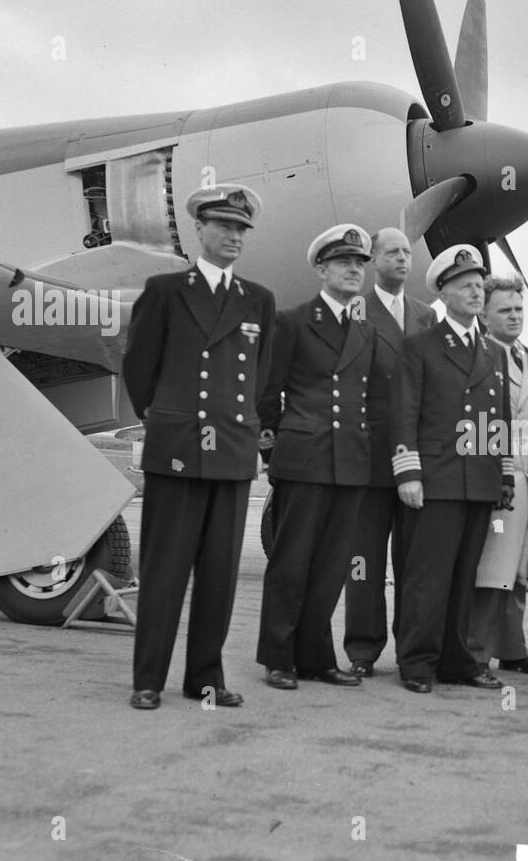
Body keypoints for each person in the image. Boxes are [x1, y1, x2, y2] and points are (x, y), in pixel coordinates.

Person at [121, 184, 275, 710]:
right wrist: (166, 417)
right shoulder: (165, 290)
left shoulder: (258, 300)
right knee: (164, 571)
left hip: (231, 453)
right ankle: (148, 679)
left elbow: (262, 377)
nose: (234, 236)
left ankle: (205, 677)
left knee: (218, 575)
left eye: (241, 229)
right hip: (179, 449)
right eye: (224, 227)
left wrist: (241, 428)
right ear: (200, 231)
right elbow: (139, 370)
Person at [255, 224, 376, 691]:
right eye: (343, 262)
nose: (353, 270)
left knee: (330, 566)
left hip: (349, 461)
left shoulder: (362, 331)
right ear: (321, 268)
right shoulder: (293, 321)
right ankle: (278, 657)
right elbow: (267, 391)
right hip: (304, 457)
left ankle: (315, 657)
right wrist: (272, 448)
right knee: (291, 562)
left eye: (359, 263)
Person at [390, 245, 514, 694]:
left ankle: (456, 660)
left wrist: (502, 475)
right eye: (465, 285)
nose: (476, 292)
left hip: (477, 482)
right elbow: (404, 412)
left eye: (479, 284)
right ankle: (417, 661)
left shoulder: (492, 352)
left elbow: (497, 419)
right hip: (436, 479)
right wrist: (408, 473)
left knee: (464, 577)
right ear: (443, 292)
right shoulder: (420, 346)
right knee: (427, 577)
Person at [342, 228, 436, 677]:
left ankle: (412, 652)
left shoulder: (426, 316)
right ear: (373, 261)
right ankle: (362, 648)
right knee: (364, 558)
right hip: (370, 457)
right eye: (392, 252)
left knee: (415, 562)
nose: (402, 258)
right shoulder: (356, 312)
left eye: (407, 252)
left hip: (416, 460)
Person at [468, 277, 528, 678]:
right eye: (505, 310)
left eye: (519, 308)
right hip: (500, 473)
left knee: (520, 570)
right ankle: (477, 651)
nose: (515, 315)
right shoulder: (481, 355)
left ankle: (513, 647)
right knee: (492, 569)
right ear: (484, 315)